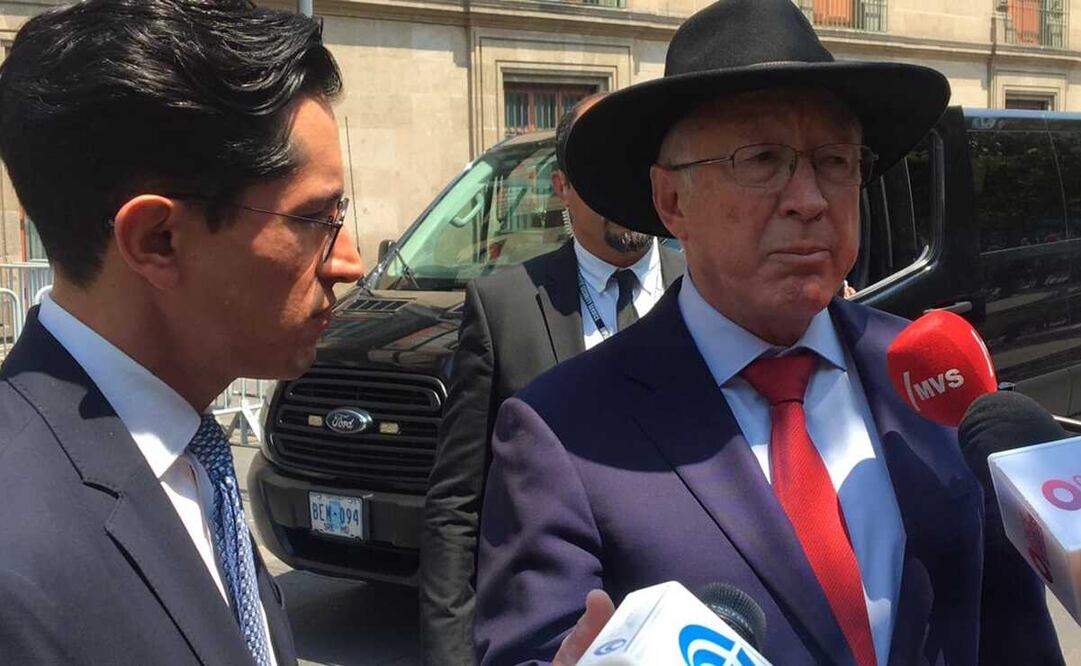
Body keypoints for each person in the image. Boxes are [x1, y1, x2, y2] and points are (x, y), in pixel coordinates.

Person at [473, 1, 1063, 664]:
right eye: (762, 158)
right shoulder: (562, 432)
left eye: (834, 161)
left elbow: (1012, 631)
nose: (809, 198)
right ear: (671, 201)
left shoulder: (929, 375)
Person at [0, 2, 363, 664]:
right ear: (158, 241)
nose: (349, 262)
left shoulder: (194, 454)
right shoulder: (17, 559)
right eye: (314, 217)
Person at [419, 93, 685, 666]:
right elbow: (455, 508)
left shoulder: (711, 291)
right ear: (563, 187)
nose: (622, 189)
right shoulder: (503, 308)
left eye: (635, 167)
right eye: (601, 168)